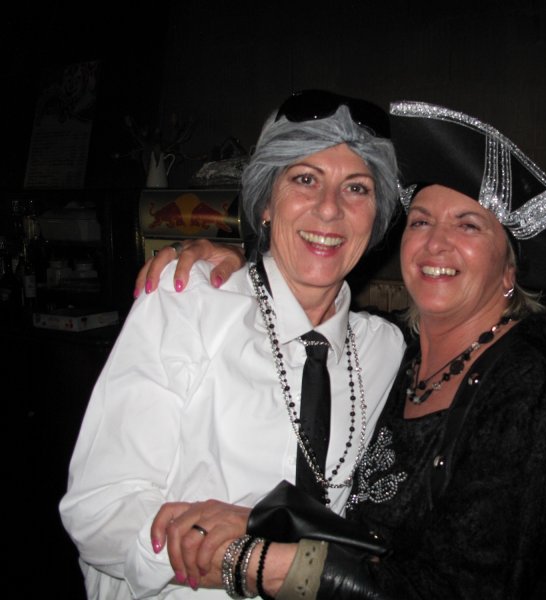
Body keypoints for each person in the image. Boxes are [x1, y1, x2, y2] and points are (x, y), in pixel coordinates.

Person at [136, 100, 546, 598]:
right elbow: (364, 533)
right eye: (421, 221)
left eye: (468, 225)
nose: (436, 244)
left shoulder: (528, 386)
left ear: (511, 268)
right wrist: (239, 261)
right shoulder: (393, 355)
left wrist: (253, 562)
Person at [59, 89, 408, 599]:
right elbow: (99, 510)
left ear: (376, 219)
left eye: (356, 188)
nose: (329, 209)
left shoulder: (384, 350)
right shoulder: (189, 303)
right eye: (305, 179)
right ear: (265, 203)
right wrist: (236, 558)